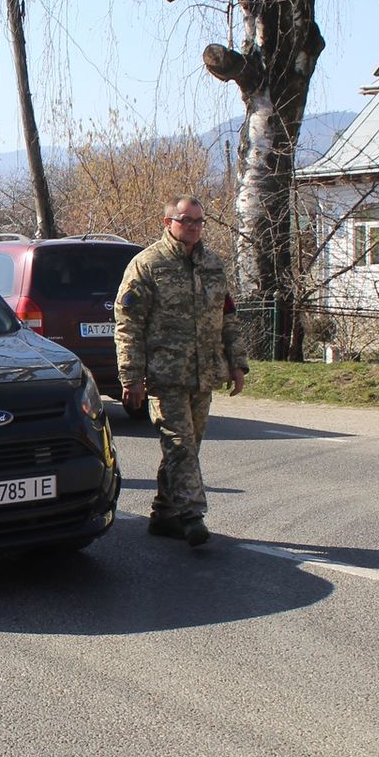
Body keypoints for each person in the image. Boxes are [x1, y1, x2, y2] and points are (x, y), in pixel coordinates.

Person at [114, 195, 248, 546]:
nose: (193, 227)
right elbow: (128, 325)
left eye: (199, 221)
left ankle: (163, 513)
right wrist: (131, 377)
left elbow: (227, 319)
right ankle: (191, 514)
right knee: (180, 444)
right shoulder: (147, 265)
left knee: (186, 447)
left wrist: (236, 364)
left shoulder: (213, 265)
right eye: (186, 220)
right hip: (164, 375)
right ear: (168, 222)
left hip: (203, 374)